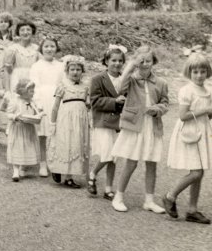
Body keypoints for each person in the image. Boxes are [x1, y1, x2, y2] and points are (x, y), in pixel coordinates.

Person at [111, 46, 169, 213]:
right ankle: (118, 197)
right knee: (131, 162)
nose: (145, 64)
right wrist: (131, 65)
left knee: (151, 163)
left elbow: (165, 103)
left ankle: (149, 201)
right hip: (135, 125)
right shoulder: (131, 80)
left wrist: (157, 109)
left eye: (148, 61)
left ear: (154, 62)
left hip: (152, 125)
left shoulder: (161, 83)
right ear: (136, 62)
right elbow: (120, 88)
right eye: (141, 61)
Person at [162, 53, 212, 224]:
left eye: (203, 71)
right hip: (190, 132)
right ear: (189, 73)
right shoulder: (187, 91)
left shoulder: (208, 90)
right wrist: (205, 110)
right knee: (196, 172)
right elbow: (183, 115)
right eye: (195, 72)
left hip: (203, 131)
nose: (199, 75)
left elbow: (208, 114)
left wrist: (209, 112)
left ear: (207, 72)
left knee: (200, 172)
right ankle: (170, 196)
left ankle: (192, 209)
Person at [87, 45, 126, 200]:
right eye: (113, 60)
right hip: (103, 121)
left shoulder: (125, 79)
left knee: (114, 156)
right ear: (106, 61)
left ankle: (108, 189)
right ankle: (93, 174)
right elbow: (95, 101)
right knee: (108, 154)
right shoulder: (98, 79)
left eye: (120, 61)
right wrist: (114, 101)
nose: (117, 64)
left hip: (119, 122)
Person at [47, 55, 90, 188]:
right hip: (66, 119)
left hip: (80, 120)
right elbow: (55, 107)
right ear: (67, 71)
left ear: (82, 71)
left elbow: (87, 104)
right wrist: (53, 123)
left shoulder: (85, 87)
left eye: (78, 69)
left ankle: (71, 173)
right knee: (66, 144)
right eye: (72, 69)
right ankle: (63, 173)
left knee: (77, 144)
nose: (75, 72)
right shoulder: (63, 86)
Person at [28, 37, 64, 176]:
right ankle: (42, 163)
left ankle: (54, 160)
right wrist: (38, 103)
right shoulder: (37, 66)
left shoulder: (60, 66)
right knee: (42, 134)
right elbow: (34, 85)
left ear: (56, 49)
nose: (49, 49)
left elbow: (62, 83)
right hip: (42, 99)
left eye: (52, 46)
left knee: (55, 132)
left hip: (56, 100)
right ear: (41, 49)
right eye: (46, 46)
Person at [4, 79, 41, 182]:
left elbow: (36, 113)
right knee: (17, 147)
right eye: (31, 91)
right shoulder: (15, 101)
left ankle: (23, 167)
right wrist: (15, 117)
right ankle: (15, 170)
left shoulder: (32, 102)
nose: (33, 93)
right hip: (18, 129)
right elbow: (8, 114)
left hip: (28, 129)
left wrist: (39, 114)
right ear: (24, 91)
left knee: (28, 147)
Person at [4, 20, 40, 93]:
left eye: (28, 30)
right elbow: (7, 71)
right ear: (18, 32)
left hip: (33, 80)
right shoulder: (12, 49)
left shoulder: (37, 49)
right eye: (22, 30)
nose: (25, 32)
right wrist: (7, 90)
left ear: (32, 32)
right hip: (17, 80)